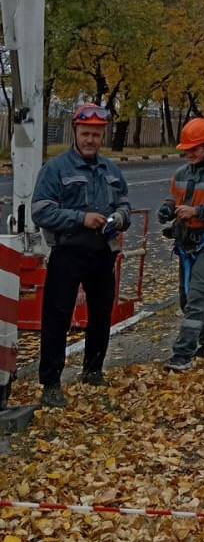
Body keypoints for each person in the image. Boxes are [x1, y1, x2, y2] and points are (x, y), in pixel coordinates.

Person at [31, 103, 131, 408]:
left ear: (103, 136)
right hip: (68, 252)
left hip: (103, 252)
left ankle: (93, 370)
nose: (91, 140)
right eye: (86, 133)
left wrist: (119, 219)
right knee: (57, 317)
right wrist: (80, 218)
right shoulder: (56, 169)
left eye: (97, 135)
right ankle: (50, 383)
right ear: (75, 132)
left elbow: (125, 205)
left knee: (101, 314)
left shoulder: (111, 171)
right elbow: (41, 211)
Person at [158, 118, 204, 372]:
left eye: (194, 149)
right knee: (188, 298)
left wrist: (195, 212)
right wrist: (167, 209)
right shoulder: (181, 174)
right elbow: (173, 197)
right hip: (186, 244)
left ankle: (183, 355)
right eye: (186, 149)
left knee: (197, 299)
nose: (189, 153)